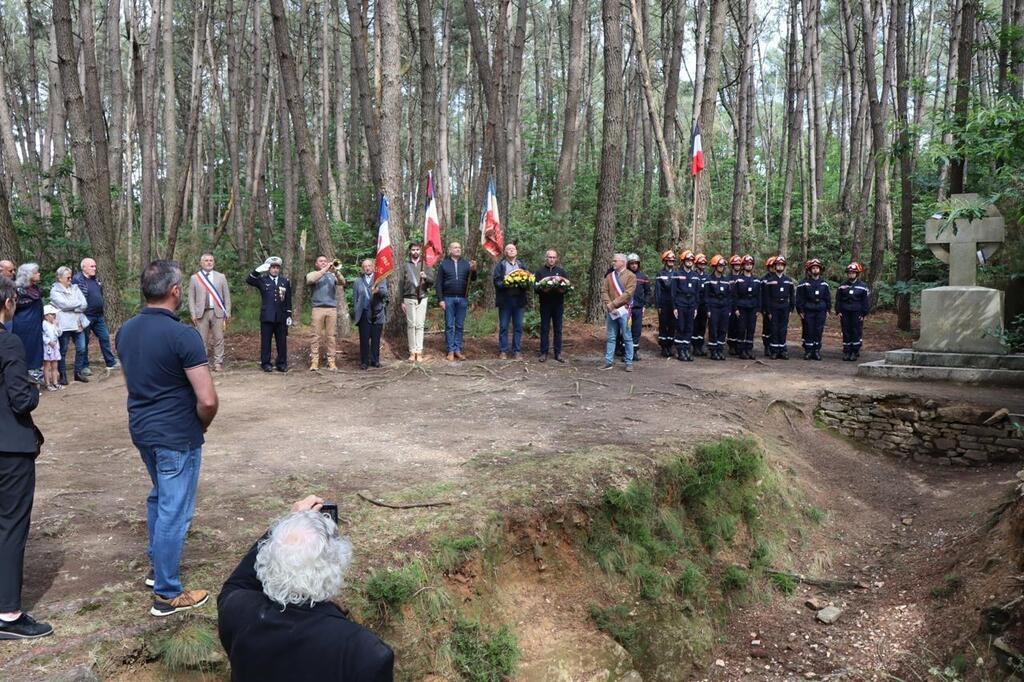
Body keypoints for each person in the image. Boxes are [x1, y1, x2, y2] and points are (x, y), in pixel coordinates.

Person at [116, 260, 219, 617]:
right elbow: (207, 399)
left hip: (142, 429)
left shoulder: (125, 331)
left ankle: (156, 569)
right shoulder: (183, 335)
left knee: (160, 497)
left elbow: (131, 385)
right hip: (176, 435)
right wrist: (200, 426)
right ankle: (167, 594)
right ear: (176, 291)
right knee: (175, 510)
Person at [217, 495, 394, 680]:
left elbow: (238, 582)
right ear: (336, 565)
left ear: (268, 561)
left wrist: (287, 526)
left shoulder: (238, 612)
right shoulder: (365, 653)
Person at [0, 276, 52, 640]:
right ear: (8, 303)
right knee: (11, 526)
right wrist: (32, 390)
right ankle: (8, 614)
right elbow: (22, 399)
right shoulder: (9, 342)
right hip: (9, 449)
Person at [72, 257, 120, 376]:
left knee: (104, 337)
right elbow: (74, 298)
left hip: (98, 316)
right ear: (84, 268)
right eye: (92, 266)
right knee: (84, 342)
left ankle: (110, 361)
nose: (95, 268)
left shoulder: (96, 279)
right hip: (85, 316)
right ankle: (84, 366)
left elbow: (100, 293)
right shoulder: (77, 280)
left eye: (95, 266)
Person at [247, 257, 292, 373]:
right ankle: (266, 363)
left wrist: (289, 315)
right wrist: (257, 271)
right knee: (266, 342)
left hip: (281, 317)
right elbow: (249, 280)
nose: (275, 270)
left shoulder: (284, 281)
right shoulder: (262, 280)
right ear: (269, 269)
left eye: (277, 268)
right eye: (273, 268)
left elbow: (288, 300)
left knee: (282, 342)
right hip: (267, 316)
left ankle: (281, 363)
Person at [188, 254, 232, 372]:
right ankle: (203, 363)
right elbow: (191, 297)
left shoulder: (221, 277)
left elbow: (226, 296)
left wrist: (227, 311)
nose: (209, 262)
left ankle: (218, 363)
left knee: (219, 338)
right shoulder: (195, 278)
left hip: (217, 312)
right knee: (201, 340)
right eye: (206, 261)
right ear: (201, 263)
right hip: (201, 313)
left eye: (211, 260)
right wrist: (193, 313)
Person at [435, 242, 477, 361]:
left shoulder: (466, 264)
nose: (458, 249)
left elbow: (473, 279)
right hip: (448, 298)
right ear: (450, 250)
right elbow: (438, 283)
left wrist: (474, 270)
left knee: (459, 325)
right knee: (449, 325)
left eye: (459, 247)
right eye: (455, 247)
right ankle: (450, 350)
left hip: (462, 299)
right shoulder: (444, 264)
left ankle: (457, 349)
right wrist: (440, 299)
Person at [50, 266, 90, 384]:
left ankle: (78, 373)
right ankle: (62, 375)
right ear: (59, 278)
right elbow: (63, 305)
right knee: (62, 350)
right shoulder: (54, 291)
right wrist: (75, 305)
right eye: (67, 276)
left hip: (78, 323)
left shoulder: (75, 288)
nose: (70, 278)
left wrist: (72, 306)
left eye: (71, 276)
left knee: (82, 348)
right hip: (64, 324)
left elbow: (84, 304)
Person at [305, 256, 342, 371]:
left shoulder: (332, 276)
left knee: (331, 336)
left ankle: (331, 361)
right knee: (315, 336)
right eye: (321, 261)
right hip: (317, 308)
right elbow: (310, 280)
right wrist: (325, 269)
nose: (324, 263)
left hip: (331, 309)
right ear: (316, 264)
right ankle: (315, 361)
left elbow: (343, 282)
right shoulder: (313, 274)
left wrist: (336, 272)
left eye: (325, 261)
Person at [492, 243, 529, 360]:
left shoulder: (522, 265)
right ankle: (503, 351)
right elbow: (496, 282)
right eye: (509, 249)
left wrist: (523, 283)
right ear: (505, 252)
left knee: (518, 326)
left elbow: (528, 280)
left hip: (519, 301)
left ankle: (516, 351)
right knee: (503, 326)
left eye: (513, 249)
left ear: (516, 251)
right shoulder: (500, 265)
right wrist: (508, 282)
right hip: (505, 301)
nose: (511, 250)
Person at [601, 254, 636, 372]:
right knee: (611, 337)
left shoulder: (631, 276)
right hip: (612, 311)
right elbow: (604, 291)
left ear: (623, 262)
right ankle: (608, 362)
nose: (613, 263)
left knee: (627, 337)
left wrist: (613, 304)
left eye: (615, 261)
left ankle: (629, 362)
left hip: (624, 311)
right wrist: (609, 305)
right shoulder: (609, 276)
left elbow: (628, 294)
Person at [352, 259, 388, 370]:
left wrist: (378, 291)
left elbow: (385, 293)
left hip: (377, 313)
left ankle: (375, 360)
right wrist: (357, 312)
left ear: (373, 267)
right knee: (364, 339)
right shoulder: (358, 281)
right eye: (365, 266)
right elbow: (355, 299)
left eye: (369, 266)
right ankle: (364, 361)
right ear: (363, 268)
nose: (367, 268)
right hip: (364, 313)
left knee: (376, 339)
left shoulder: (380, 278)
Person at [401, 243, 434, 363]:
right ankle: (412, 351)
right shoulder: (405, 265)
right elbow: (401, 283)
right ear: (410, 252)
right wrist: (401, 300)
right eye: (413, 250)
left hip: (422, 297)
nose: (415, 251)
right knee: (411, 325)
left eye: (417, 250)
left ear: (420, 251)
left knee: (420, 325)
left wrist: (425, 277)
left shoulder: (425, 265)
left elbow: (432, 282)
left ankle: (419, 351)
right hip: (409, 297)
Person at [534, 249, 569, 363]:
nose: (552, 259)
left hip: (558, 304)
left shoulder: (561, 271)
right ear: (546, 258)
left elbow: (566, 288)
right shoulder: (540, 272)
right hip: (545, 304)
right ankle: (543, 352)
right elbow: (536, 288)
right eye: (550, 257)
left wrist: (560, 289)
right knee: (544, 328)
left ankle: (558, 353)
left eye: (554, 257)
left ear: (556, 259)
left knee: (558, 329)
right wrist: (544, 288)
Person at [11, 263, 43, 385]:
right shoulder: (17, 290)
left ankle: (36, 381)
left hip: (36, 324)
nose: (39, 274)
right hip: (23, 326)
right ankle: (24, 382)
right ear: (28, 275)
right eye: (36, 272)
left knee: (37, 350)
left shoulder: (35, 288)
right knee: (25, 350)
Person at [796, 258, 831, 361]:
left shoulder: (824, 283)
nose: (815, 270)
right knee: (808, 330)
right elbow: (799, 298)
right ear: (809, 270)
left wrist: (828, 309)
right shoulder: (804, 283)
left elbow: (827, 297)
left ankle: (816, 351)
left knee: (818, 330)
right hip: (808, 309)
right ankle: (808, 351)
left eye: (817, 268)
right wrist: (800, 310)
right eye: (813, 268)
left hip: (821, 309)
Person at [762, 255, 796, 359]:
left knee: (783, 329)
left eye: (781, 265)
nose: (779, 267)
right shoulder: (770, 281)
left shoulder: (788, 280)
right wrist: (768, 311)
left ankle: (783, 350)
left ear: (784, 267)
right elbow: (767, 297)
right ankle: (774, 351)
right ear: (775, 266)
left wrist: (791, 308)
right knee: (774, 328)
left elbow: (792, 295)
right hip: (773, 307)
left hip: (785, 307)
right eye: (778, 265)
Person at [836, 262, 871, 361]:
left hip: (857, 312)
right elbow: (838, 299)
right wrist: (838, 311)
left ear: (857, 274)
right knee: (846, 331)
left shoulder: (863, 286)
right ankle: (847, 351)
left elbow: (865, 301)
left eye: (853, 272)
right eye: (849, 273)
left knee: (856, 331)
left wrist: (864, 313)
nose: (851, 274)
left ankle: (855, 351)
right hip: (845, 312)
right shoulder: (842, 286)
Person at [671, 250, 701, 362]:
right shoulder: (677, 274)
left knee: (689, 328)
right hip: (680, 304)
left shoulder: (695, 276)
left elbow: (697, 293)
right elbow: (673, 292)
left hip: (691, 305)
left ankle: (686, 349)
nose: (689, 262)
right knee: (681, 327)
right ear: (683, 261)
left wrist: (696, 308)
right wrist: (674, 307)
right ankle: (680, 350)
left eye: (691, 260)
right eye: (687, 260)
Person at [703, 255, 733, 361]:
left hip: (724, 308)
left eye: (723, 266)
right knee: (713, 329)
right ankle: (713, 351)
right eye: (720, 265)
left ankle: (720, 350)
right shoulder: (709, 280)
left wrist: (729, 309)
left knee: (723, 330)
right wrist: (708, 310)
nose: (721, 267)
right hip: (713, 307)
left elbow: (729, 296)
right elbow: (706, 296)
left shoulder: (726, 280)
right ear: (715, 266)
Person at [732, 255, 761, 359]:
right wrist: (735, 309)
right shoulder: (738, 280)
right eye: (747, 264)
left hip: (753, 308)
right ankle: (741, 350)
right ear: (743, 266)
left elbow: (759, 295)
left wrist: (758, 309)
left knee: (751, 329)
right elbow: (734, 296)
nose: (749, 266)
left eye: (750, 264)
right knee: (741, 329)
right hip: (741, 308)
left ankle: (749, 349)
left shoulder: (756, 280)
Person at [653, 251, 677, 357]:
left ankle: (670, 346)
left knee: (672, 326)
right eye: (669, 260)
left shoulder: (676, 274)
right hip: (663, 303)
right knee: (663, 325)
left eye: (672, 260)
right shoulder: (660, 274)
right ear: (665, 261)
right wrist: (658, 305)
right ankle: (663, 347)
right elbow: (657, 291)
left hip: (674, 304)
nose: (671, 262)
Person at [691, 254, 709, 356]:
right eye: (700, 263)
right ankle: (695, 347)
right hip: (695, 304)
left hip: (704, 305)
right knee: (695, 325)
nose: (702, 265)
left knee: (702, 325)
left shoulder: (707, 277)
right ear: (696, 264)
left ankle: (700, 346)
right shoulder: (694, 275)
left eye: (704, 263)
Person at [726, 255, 743, 355]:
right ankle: (731, 345)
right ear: (732, 266)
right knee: (730, 326)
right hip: (729, 304)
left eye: (738, 265)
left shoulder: (742, 278)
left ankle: (737, 345)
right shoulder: (728, 278)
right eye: (735, 265)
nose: (737, 266)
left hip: (739, 305)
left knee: (739, 326)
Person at [41, 305, 61, 391]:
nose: (54, 316)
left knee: (55, 365)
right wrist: (48, 341)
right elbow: (42, 335)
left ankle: (55, 382)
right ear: (46, 315)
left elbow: (59, 333)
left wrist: (57, 326)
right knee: (47, 366)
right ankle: (47, 384)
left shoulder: (54, 324)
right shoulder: (44, 324)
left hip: (55, 347)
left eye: (54, 314)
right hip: (47, 348)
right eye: (52, 314)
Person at [760, 256, 776, 356]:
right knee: (767, 327)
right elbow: (761, 295)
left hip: (777, 307)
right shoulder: (764, 280)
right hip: (767, 308)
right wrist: (763, 308)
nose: (774, 268)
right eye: (772, 266)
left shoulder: (780, 278)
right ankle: (767, 346)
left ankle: (774, 345)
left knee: (776, 327)